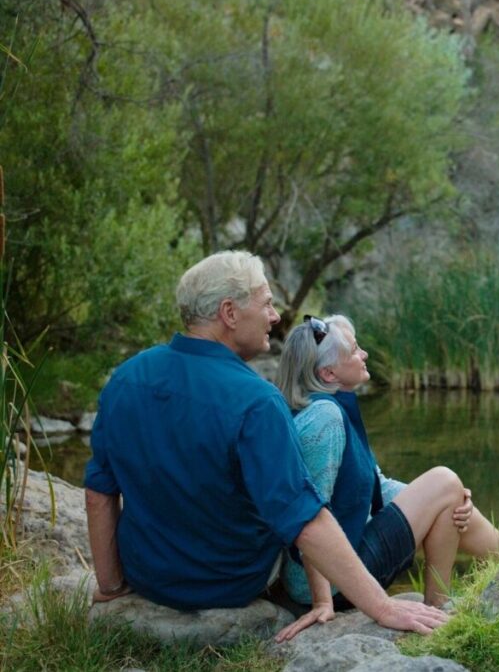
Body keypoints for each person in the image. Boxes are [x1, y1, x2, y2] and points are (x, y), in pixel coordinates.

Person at [84, 251, 446, 636]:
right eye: (267, 303)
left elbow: (99, 493)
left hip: (149, 578)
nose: (275, 316)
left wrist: (111, 586)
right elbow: (305, 519)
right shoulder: (257, 400)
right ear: (230, 313)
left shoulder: (126, 377)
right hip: (231, 583)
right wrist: (383, 607)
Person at [273, 313, 499, 640]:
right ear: (328, 372)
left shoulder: (332, 404)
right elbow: (310, 515)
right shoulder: (323, 420)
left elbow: (376, 486)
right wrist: (322, 600)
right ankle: (439, 612)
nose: (364, 354)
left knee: (450, 495)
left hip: (346, 556)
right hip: (338, 576)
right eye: (355, 350)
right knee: (444, 481)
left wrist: (443, 499)